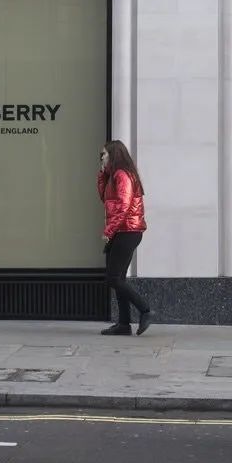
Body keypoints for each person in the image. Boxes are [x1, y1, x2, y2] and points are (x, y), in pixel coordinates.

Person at [97, 140, 152, 336]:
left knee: (113, 278)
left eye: (103, 154)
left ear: (113, 154)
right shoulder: (114, 175)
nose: (101, 158)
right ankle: (124, 324)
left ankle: (145, 309)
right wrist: (103, 174)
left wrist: (108, 231)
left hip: (127, 231)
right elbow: (105, 198)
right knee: (118, 278)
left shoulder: (122, 176)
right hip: (123, 231)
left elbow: (123, 206)